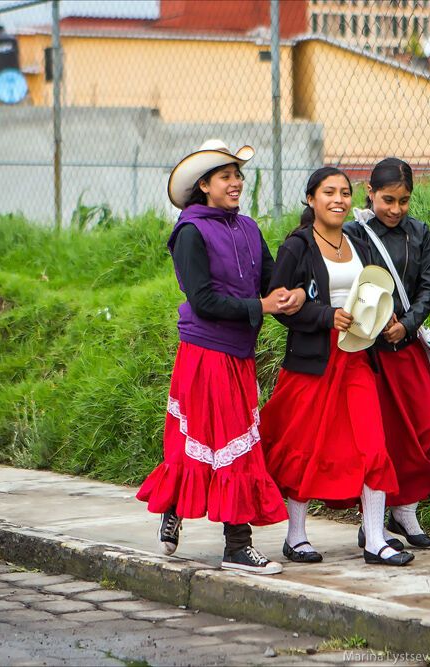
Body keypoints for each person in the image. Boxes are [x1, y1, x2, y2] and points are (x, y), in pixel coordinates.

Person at [136, 139, 305, 575]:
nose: (236, 183)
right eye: (226, 177)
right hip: (205, 352)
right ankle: (236, 544)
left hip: (239, 353)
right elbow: (203, 300)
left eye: (238, 176)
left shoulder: (247, 227)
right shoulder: (190, 231)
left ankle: (174, 504)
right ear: (204, 185)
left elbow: (268, 279)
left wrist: (288, 295)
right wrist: (260, 308)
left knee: (218, 444)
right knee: (233, 446)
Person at [259, 167, 414, 567]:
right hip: (313, 359)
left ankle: (376, 539)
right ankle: (295, 537)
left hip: (357, 355)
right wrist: (324, 316)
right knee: (305, 445)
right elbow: (279, 303)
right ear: (311, 199)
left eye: (345, 192)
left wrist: (385, 318)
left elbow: (373, 291)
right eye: (329, 192)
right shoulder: (297, 245)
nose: (339, 200)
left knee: (371, 444)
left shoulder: (356, 240)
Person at [345, 158, 430, 548]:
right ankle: (375, 521)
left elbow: (428, 287)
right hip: (367, 353)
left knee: (429, 429)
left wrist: (408, 324)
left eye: (404, 200)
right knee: (381, 438)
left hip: (406, 347)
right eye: (388, 199)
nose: (396, 209)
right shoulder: (353, 234)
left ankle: (406, 509)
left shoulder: (419, 232)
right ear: (369, 193)